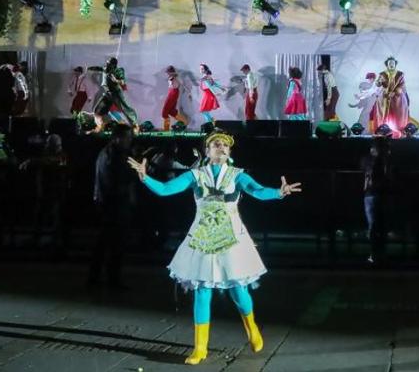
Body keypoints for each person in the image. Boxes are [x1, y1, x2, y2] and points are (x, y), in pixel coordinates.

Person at [127, 131, 302, 365]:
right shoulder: (195, 175)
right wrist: (145, 177)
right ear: (207, 151)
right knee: (202, 290)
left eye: (225, 146)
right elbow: (167, 190)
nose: (221, 148)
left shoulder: (237, 175)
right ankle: (200, 348)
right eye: (216, 145)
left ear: (229, 153)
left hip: (232, 238)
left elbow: (257, 191)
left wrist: (278, 192)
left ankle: (252, 328)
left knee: (239, 289)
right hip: (202, 238)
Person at [89, 124, 136, 289]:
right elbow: (118, 181)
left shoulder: (106, 153)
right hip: (114, 203)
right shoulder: (115, 156)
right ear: (118, 138)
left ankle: (95, 277)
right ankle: (113, 279)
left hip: (106, 203)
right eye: (127, 138)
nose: (129, 141)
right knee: (115, 243)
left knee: (103, 242)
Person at [22, 134, 72, 254]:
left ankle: (55, 242)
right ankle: (39, 239)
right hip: (45, 192)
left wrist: (31, 161)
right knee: (41, 217)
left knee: (55, 218)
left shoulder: (61, 157)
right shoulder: (49, 156)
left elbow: (52, 162)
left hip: (55, 193)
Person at [361, 136, 392, 264]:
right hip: (380, 194)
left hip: (371, 194)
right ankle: (379, 253)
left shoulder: (367, 160)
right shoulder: (384, 161)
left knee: (374, 225)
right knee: (380, 225)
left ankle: (374, 254)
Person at [90, 57, 138, 132]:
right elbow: (98, 68)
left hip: (116, 93)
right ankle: (100, 126)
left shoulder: (119, 71)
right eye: (107, 64)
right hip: (107, 93)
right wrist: (90, 68)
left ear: (114, 65)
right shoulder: (106, 69)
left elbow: (123, 81)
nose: (107, 65)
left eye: (109, 64)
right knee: (97, 111)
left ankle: (134, 125)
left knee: (125, 109)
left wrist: (116, 80)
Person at [377, 57, 410, 135]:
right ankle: (384, 131)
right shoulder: (382, 74)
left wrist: (395, 92)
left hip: (397, 98)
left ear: (395, 64)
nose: (391, 65)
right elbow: (378, 83)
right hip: (385, 97)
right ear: (387, 65)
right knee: (384, 114)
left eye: (393, 63)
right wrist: (378, 82)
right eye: (389, 63)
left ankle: (399, 131)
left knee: (399, 114)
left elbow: (402, 85)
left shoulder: (400, 74)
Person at [162, 66, 189, 131]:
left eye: (168, 72)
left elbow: (182, 84)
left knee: (164, 113)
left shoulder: (176, 77)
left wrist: (189, 92)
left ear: (171, 72)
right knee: (172, 111)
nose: (167, 73)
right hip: (171, 92)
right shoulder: (171, 77)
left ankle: (166, 130)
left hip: (173, 93)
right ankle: (185, 122)